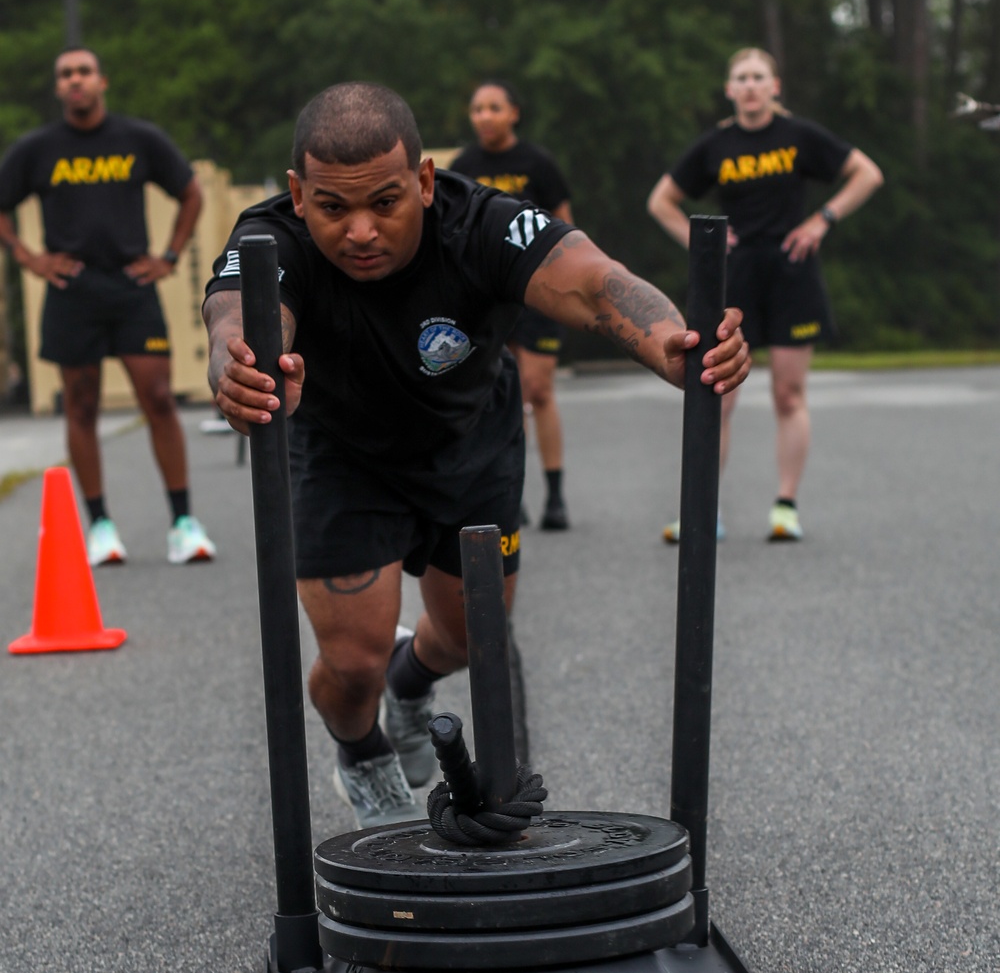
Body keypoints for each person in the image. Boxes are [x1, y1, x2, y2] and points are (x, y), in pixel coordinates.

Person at [203, 82, 750, 830]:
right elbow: (237, 319)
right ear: (299, 195)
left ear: (425, 181)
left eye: (386, 203)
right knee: (352, 660)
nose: (360, 230)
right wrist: (238, 369)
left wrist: (671, 344)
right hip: (342, 453)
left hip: (472, 446)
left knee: (466, 640)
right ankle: (362, 755)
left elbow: (594, 285)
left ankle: (412, 679)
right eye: (333, 207)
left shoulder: (486, 223)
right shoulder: (270, 239)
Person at [647, 46, 883, 542]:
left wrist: (823, 220)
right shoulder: (715, 146)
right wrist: (699, 239)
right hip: (734, 282)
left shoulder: (799, 136)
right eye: (741, 78)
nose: (750, 85)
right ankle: (702, 513)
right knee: (719, 398)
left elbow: (867, 173)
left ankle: (786, 507)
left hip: (792, 273)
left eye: (759, 77)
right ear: (730, 90)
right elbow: (661, 201)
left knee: (787, 393)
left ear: (775, 87)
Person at [0, 47, 216, 566]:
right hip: (71, 290)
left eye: (84, 72)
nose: (75, 81)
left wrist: (167, 257)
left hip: (131, 287)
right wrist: (30, 258)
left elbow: (191, 194)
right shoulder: (37, 148)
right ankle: (100, 526)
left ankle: (183, 522)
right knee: (81, 406)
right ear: (58, 88)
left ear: (103, 82)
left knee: (159, 397)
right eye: (65, 75)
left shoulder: (138, 139)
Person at [450, 81, 573, 529]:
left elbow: (565, 225)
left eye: (493, 108)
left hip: (536, 289)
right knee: (493, 393)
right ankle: (505, 490)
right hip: (485, 296)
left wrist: (564, 283)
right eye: (477, 108)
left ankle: (555, 495)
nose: (484, 116)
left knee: (537, 390)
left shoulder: (537, 163)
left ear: (513, 113)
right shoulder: (464, 166)